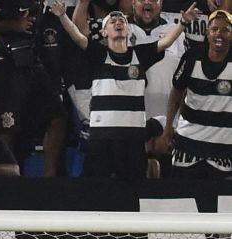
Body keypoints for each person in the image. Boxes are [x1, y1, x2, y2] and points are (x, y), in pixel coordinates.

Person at [53, 2, 197, 179]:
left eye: (121, 19)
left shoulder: (140, 55)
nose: (118, 22)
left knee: (133, 192)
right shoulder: (98, 54)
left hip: (133, 140)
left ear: (129, 31)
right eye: (112, 21)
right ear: (104, 33)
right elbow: (77, 36)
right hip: (101, 139)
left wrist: (183, 22)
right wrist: (62, 16)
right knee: (94, 191)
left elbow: (166, 42)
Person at [0, 0, 69, 174]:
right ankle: (7, 183)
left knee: (58, 118)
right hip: (6, 62)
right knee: (6, 128)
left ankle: (50, 181)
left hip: (32, 61)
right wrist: (15, 25)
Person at [168, 8, 232, 178]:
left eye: (226, 30)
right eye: (214, 29)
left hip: (223, 151)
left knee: (222, 204)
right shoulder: (192, 57)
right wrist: (168, 129)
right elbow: (176, 93)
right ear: (207, 33)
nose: (219, 34)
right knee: (182, 202)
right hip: (188, 147)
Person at [130, 0, 188, 120]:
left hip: (168, 119)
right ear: (133, 2)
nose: (148, 2)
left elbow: (185, 79)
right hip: (130, 119)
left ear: (161, 3)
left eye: (153, 0)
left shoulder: (176, 32)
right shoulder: (120, 28)